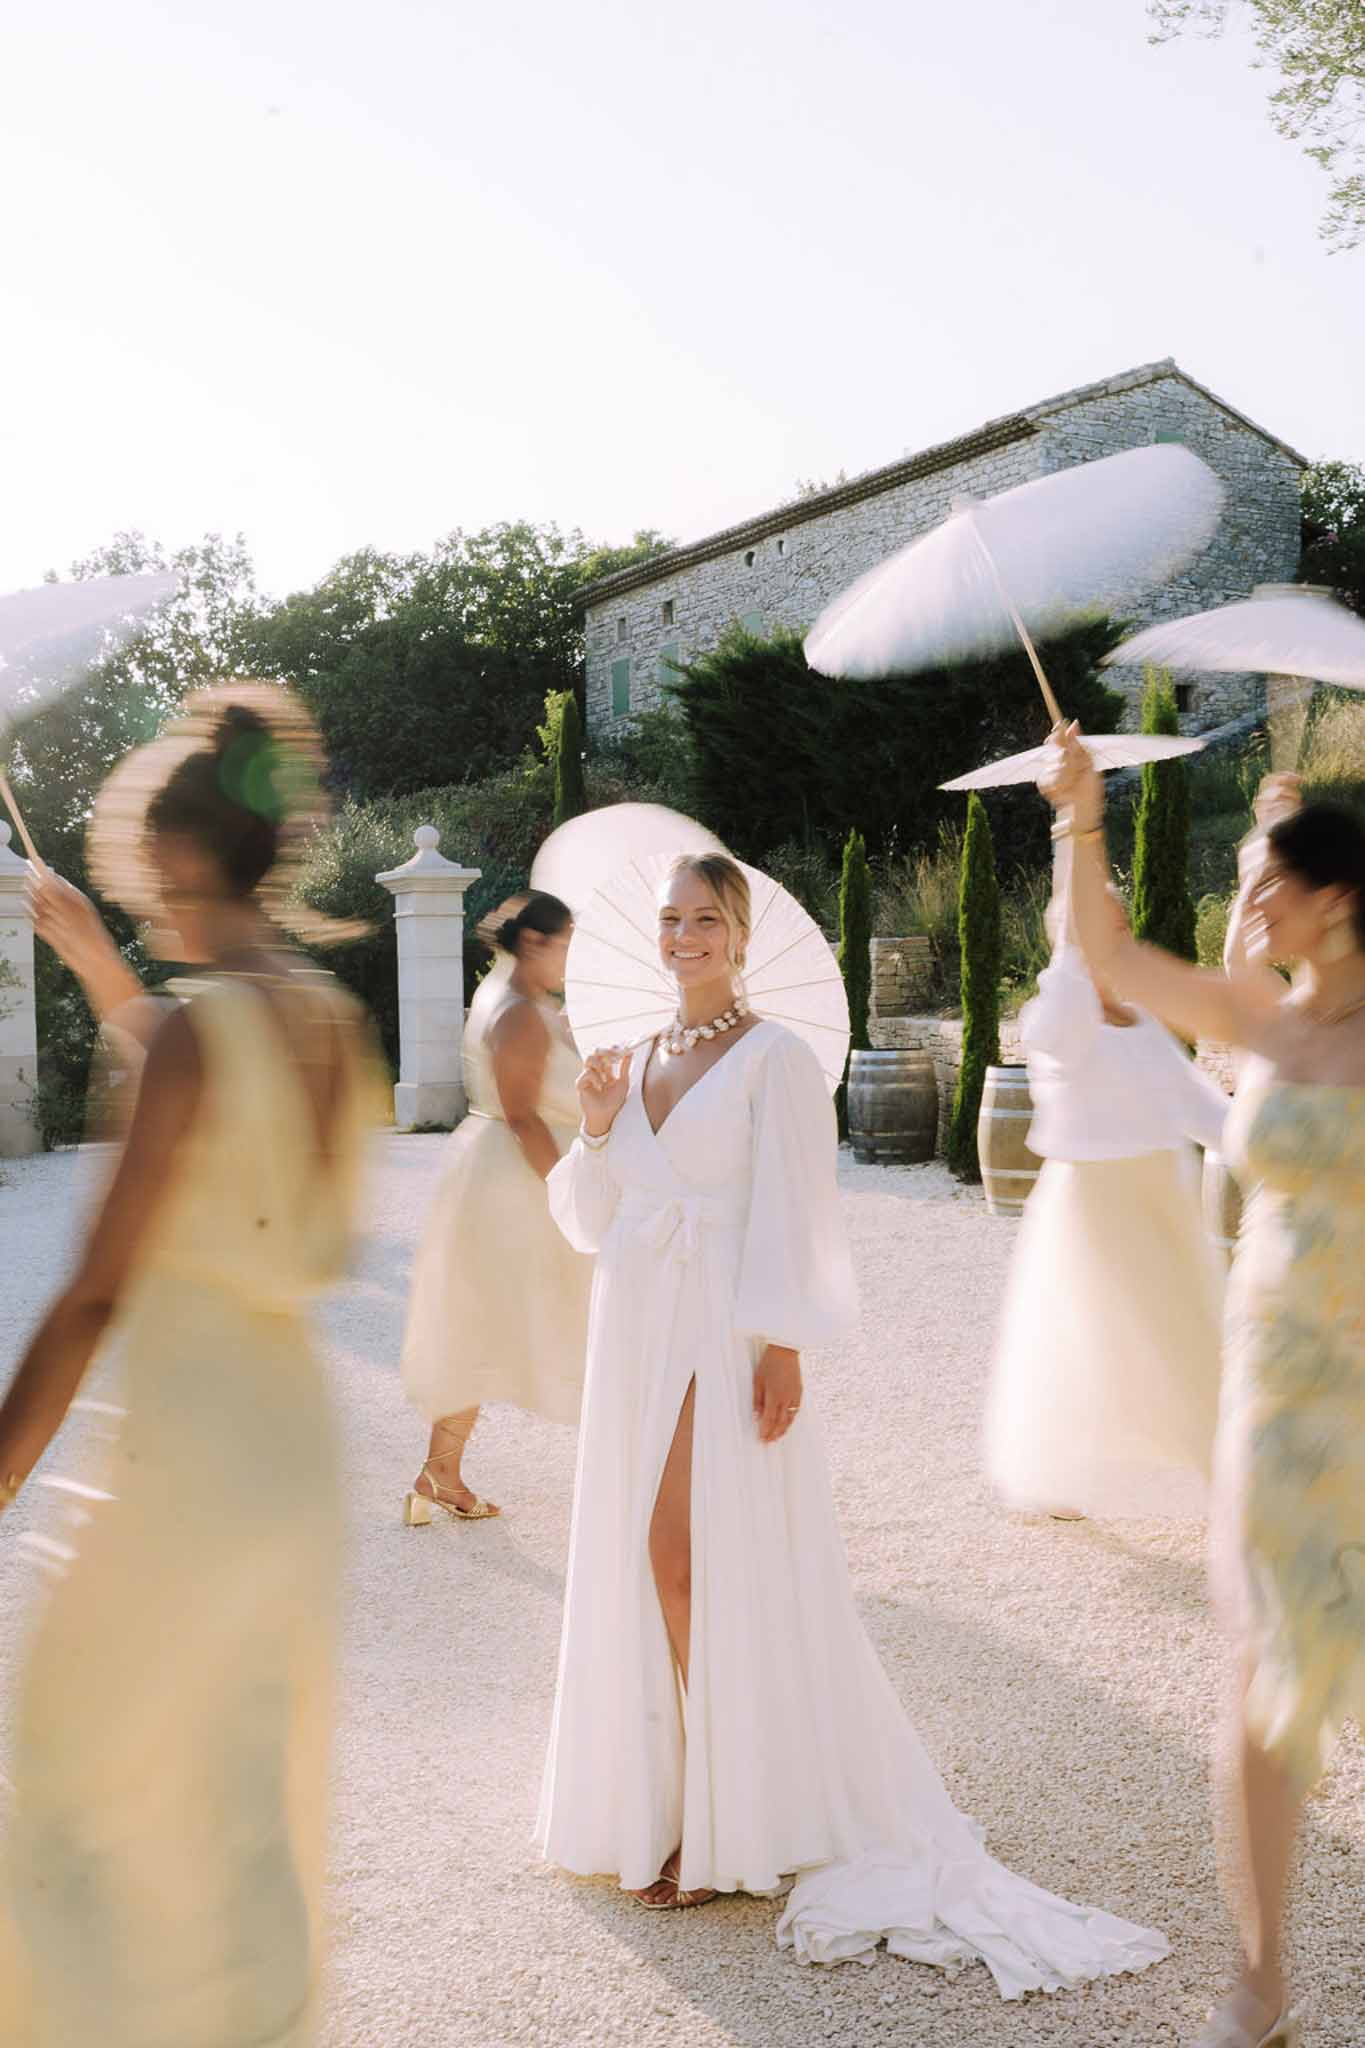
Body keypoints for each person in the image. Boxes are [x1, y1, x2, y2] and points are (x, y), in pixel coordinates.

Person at [535, 849, 1169, 1997]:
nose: (685, 936)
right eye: (671, 918)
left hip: (719, 1325)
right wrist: (590, 1124)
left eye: (705, 918)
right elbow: (588, 1219)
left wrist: (784, 1340)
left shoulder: (775, 1057)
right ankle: (670, 1795)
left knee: (679, 1557)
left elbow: (799, 1206)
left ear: (740, 933)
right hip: (630, 1329)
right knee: (643, 1563)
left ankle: (725, 1814)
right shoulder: (629, 1058)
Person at [0, 684, 377, 2048]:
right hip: (291, 1453)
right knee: (231, 1791)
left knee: (77, 1776)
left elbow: (96, 1291)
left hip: (182, 1458)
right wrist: (102, 967)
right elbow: (237, 1135)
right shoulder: (326, 1014)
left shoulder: (191, 1035)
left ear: (173, 850)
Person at [1040, 722, 1365, 2048]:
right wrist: (1080, 816)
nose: (1255, 900)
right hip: (1276, 1397)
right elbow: (1114, 960)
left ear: (1336, 897)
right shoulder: (1262, 1019)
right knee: (1260, 1672)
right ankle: (1260, 1977)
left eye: (1274, 881)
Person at [984, 827, 1229, 1519]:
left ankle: (1225, 1471)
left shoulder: (1142, 1019)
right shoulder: (1057, 1018)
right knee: (1094, 1347)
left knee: (1191, 1337)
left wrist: (1277, 1143)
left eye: (1122, 924)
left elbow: (1196, 1105)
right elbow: (1065, 992)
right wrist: (1072, 830)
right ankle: (1065, 1475)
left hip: (1162, 1198)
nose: (1119, 935)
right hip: (1094, 1204)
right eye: (1103, 925)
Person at [399, 891, 590, 1522]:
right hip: (519, 1184)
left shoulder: (515, 996)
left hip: (496, 1177)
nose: (573, 956)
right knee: (551, 1318)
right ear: (535, 942)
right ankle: (634, 1473)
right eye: (568, 942)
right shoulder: (520, 1013)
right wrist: (570, 1194)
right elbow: (522, 1116)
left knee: (477, 1324)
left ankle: (440, 1474)